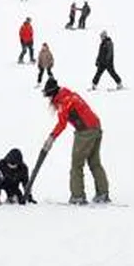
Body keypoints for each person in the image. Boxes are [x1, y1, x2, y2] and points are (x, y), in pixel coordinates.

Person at [41, 77, 109, 205]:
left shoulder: (64, 102)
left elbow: (62, 124)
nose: (49, 99)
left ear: (52, 94)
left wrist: (51, 137)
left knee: (76, 165)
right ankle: (102, 193)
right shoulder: (70, 95)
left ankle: (78, 196)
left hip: (85, 132)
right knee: (95, 163)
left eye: (48, 96)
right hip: (96, 128)